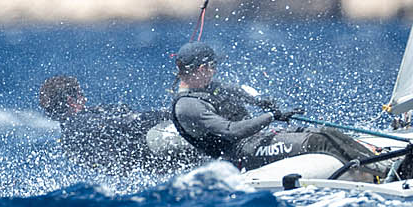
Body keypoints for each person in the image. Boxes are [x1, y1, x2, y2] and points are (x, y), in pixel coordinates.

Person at [169, 42, 373, 171]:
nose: (215, 71)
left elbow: (240, 91)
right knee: (319, 141)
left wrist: (263, 101)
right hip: (242, 153)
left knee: (326, 131)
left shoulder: (209, 86)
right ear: (204, 68)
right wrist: (271, 116)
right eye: (213, 66)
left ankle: (376, 162)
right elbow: (230, 131)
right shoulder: (188, 105)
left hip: (257, 139)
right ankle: (382, 170)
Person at [38, 74, 200, 173]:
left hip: (148, 162)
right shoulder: (80, 124)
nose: (85, 99)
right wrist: (173, 112)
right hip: (151, 151)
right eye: (81, 94)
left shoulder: (68, 140)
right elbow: (131, 123)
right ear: (71, 101)